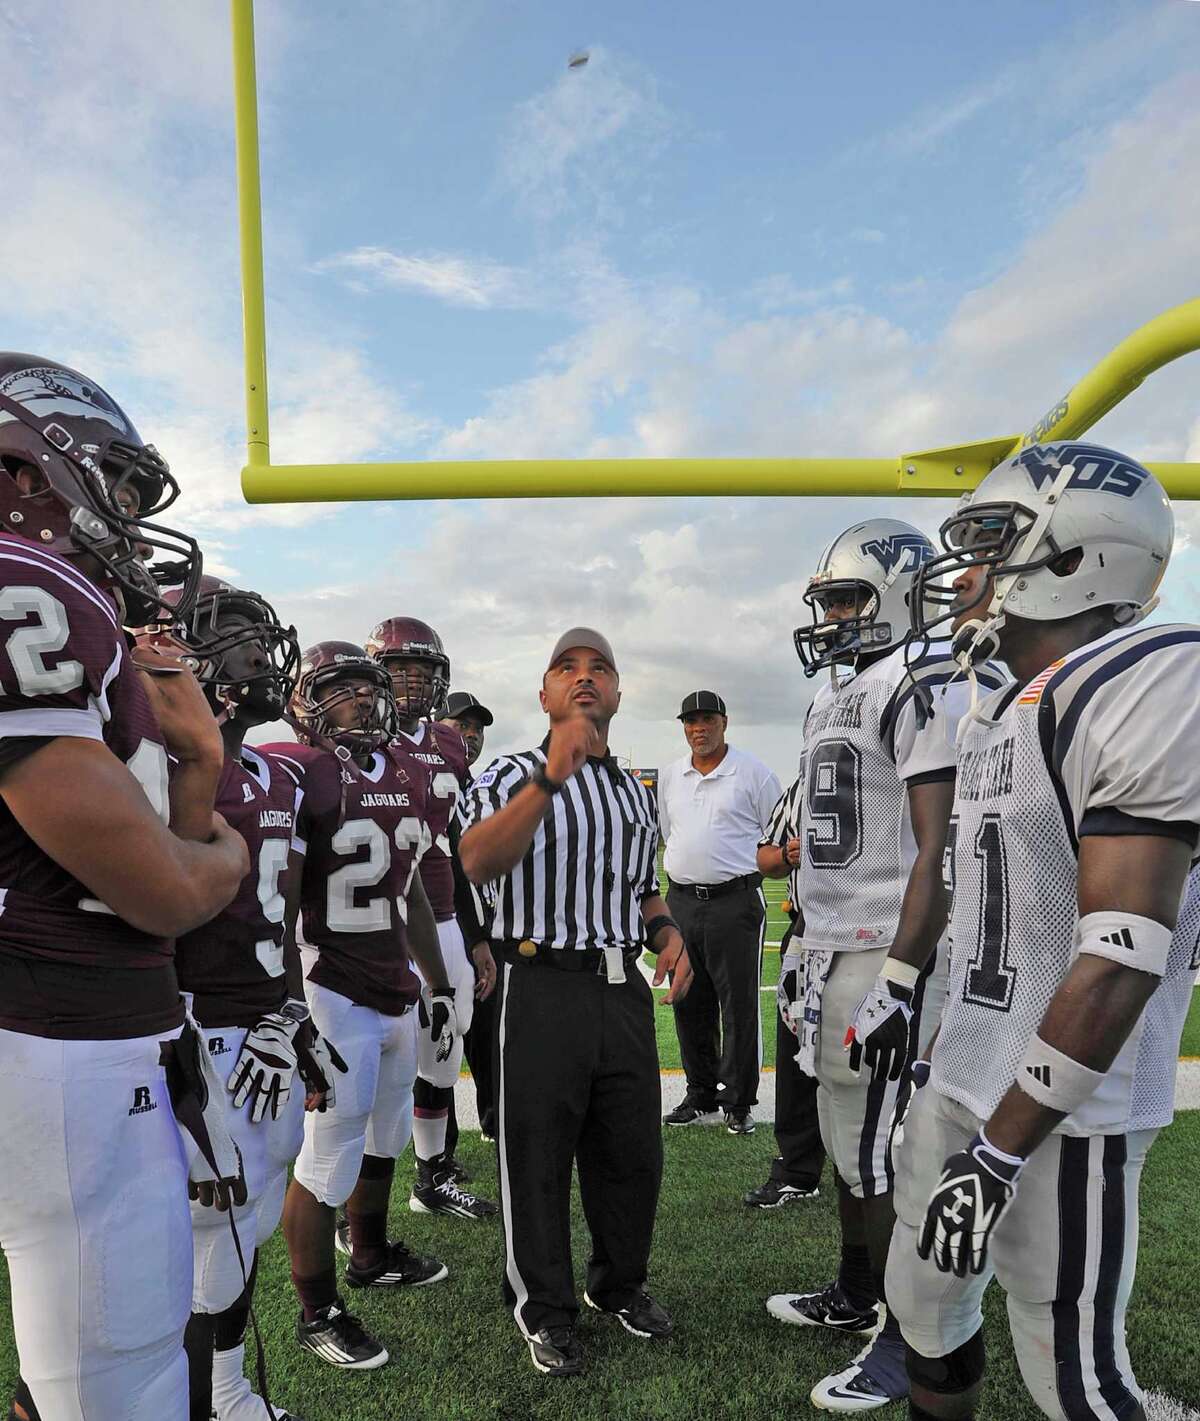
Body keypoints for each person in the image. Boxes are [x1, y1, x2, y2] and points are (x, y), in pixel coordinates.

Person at [888, 442, 1200, 1421]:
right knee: (925, 1306)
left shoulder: (1151, 674)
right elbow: (1007, 913)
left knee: (1074, 1381)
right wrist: (952, 1039)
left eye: (991, 542)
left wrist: (997, 1155)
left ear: (1074, 551)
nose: (968, 575)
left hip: (1065, 1115)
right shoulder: (997, 709)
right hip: (968, 1076)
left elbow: (1120, 955)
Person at [0, 355, 249, 1420]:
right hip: (65, 1043)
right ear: (26, 467)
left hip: (82, 1036)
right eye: (118, 484)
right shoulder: (30, 580)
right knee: (123, 1376)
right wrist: (225, 858)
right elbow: (162, 889)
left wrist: (199, 768)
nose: (131, 520)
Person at [765, 518, 1002, 1413]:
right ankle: (858, 1292)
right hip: (829, 950)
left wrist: (905, 977)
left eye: (845, 598)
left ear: (899, 594)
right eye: (823, 600)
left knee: (897, 1157)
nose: (827, 617)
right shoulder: (836, 694)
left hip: (882, 952)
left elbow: (939, 849)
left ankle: (907, 1341)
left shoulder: (917, 682)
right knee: (849, 1147)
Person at [457, 628, 692, 1378]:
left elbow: (640, 887)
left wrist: (666, 932)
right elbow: (477, 859)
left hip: (620, 989)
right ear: (546, 694)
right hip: (540, 983)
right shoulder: (511, 772)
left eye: (600, 668)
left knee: (631, 1154)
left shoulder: (630, 791)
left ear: (618, 692)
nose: (584, 678)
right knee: (537, 1155)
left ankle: (617, 1285)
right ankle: (544, 1308)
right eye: (568, 667)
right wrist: (550, 780)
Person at [158, 577, 341, 1421]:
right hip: (189, 1031)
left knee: (246, 1224)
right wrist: (178, 1038)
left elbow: (282, 917)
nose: (260, 656)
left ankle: (221, 1392)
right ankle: (201, 1399)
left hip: (260, 1028)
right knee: (196, 1240)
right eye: (234, 635)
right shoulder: (148, 762)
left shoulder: (277, 774)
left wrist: (292, 1015)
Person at [262, 643, 454, 1372]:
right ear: (307, 701)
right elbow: (280, 907)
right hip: (334, 985)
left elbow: (408, 889)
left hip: (395, 981)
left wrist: (435, 981)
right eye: (340, 690)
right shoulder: (304, 773)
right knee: (327, 1154)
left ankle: (369, 1252)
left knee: (389, 1131)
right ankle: (317, 1308)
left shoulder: (405, 771)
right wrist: (292, 1007)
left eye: (368, 689)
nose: (361, 702)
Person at [366, 617, 497, 1219]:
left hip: (442, 915)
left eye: (423, 672)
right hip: (376, 923)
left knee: (442, 1046)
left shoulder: (448, 744)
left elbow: (456, 843)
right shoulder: (356, 738)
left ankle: (432, 1174)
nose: (412, 683)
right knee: (380, 1064)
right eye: (399, 670)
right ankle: (359, 1210)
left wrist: (475, 939)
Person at [658, 690, 781, 1134]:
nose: (698, 729)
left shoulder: (753, 773)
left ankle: (739, 1100)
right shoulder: (672, 775)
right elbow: (670, 834)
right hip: (682, 901)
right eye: (690, 722)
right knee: (688, 1001)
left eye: (707, 719)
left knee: (738, 1004)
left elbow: (778, 832)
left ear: (724, 722)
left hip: (735, 900)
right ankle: (700, 1093)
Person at [743, 767, 826, 1207]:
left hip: (874, 925)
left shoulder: (890, 774)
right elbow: (765, 858)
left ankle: (882, 1160)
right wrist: (787, 856)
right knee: (796, 1052)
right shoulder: (799, 787)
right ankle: (798, 1168)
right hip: (808, 925)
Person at [439, 690, 499, 1140]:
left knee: (488, 1036)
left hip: (485, 929)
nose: (472, 735)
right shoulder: (420, 780)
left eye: (477, 728)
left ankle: (494, 1122)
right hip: (441, 930)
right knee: (439, 1043)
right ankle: (440, 1151)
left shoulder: (481, 786)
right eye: (462, 726)